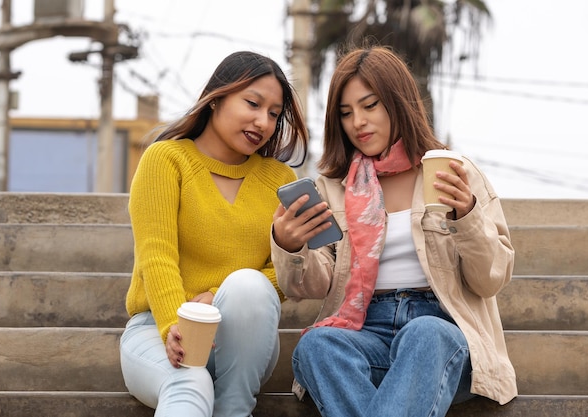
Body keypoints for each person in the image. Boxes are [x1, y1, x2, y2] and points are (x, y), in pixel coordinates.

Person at [271, 45, 517, 417]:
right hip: (363, 329)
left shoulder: (454, 172)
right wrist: (291, 247)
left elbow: (490, 280)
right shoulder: (333, 188)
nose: (358, 122)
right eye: (346, 113)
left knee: (426, 334)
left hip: (442, 335)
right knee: (316, 346)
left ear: (398, 102)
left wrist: (466, 215)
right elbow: (312, 287)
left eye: (370, 106)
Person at [119, 51, 309, 417]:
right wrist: (176, 325)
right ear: (217, 97)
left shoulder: (281, 181)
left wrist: (220, 295)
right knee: (189, 383)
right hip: (157, 330)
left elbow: (284, 278)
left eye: (273, 113)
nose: (263, 122)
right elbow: (155, 255)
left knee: (249, 286)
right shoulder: (166, 159)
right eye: (252, 103)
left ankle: (234, 409)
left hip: (243, 344)